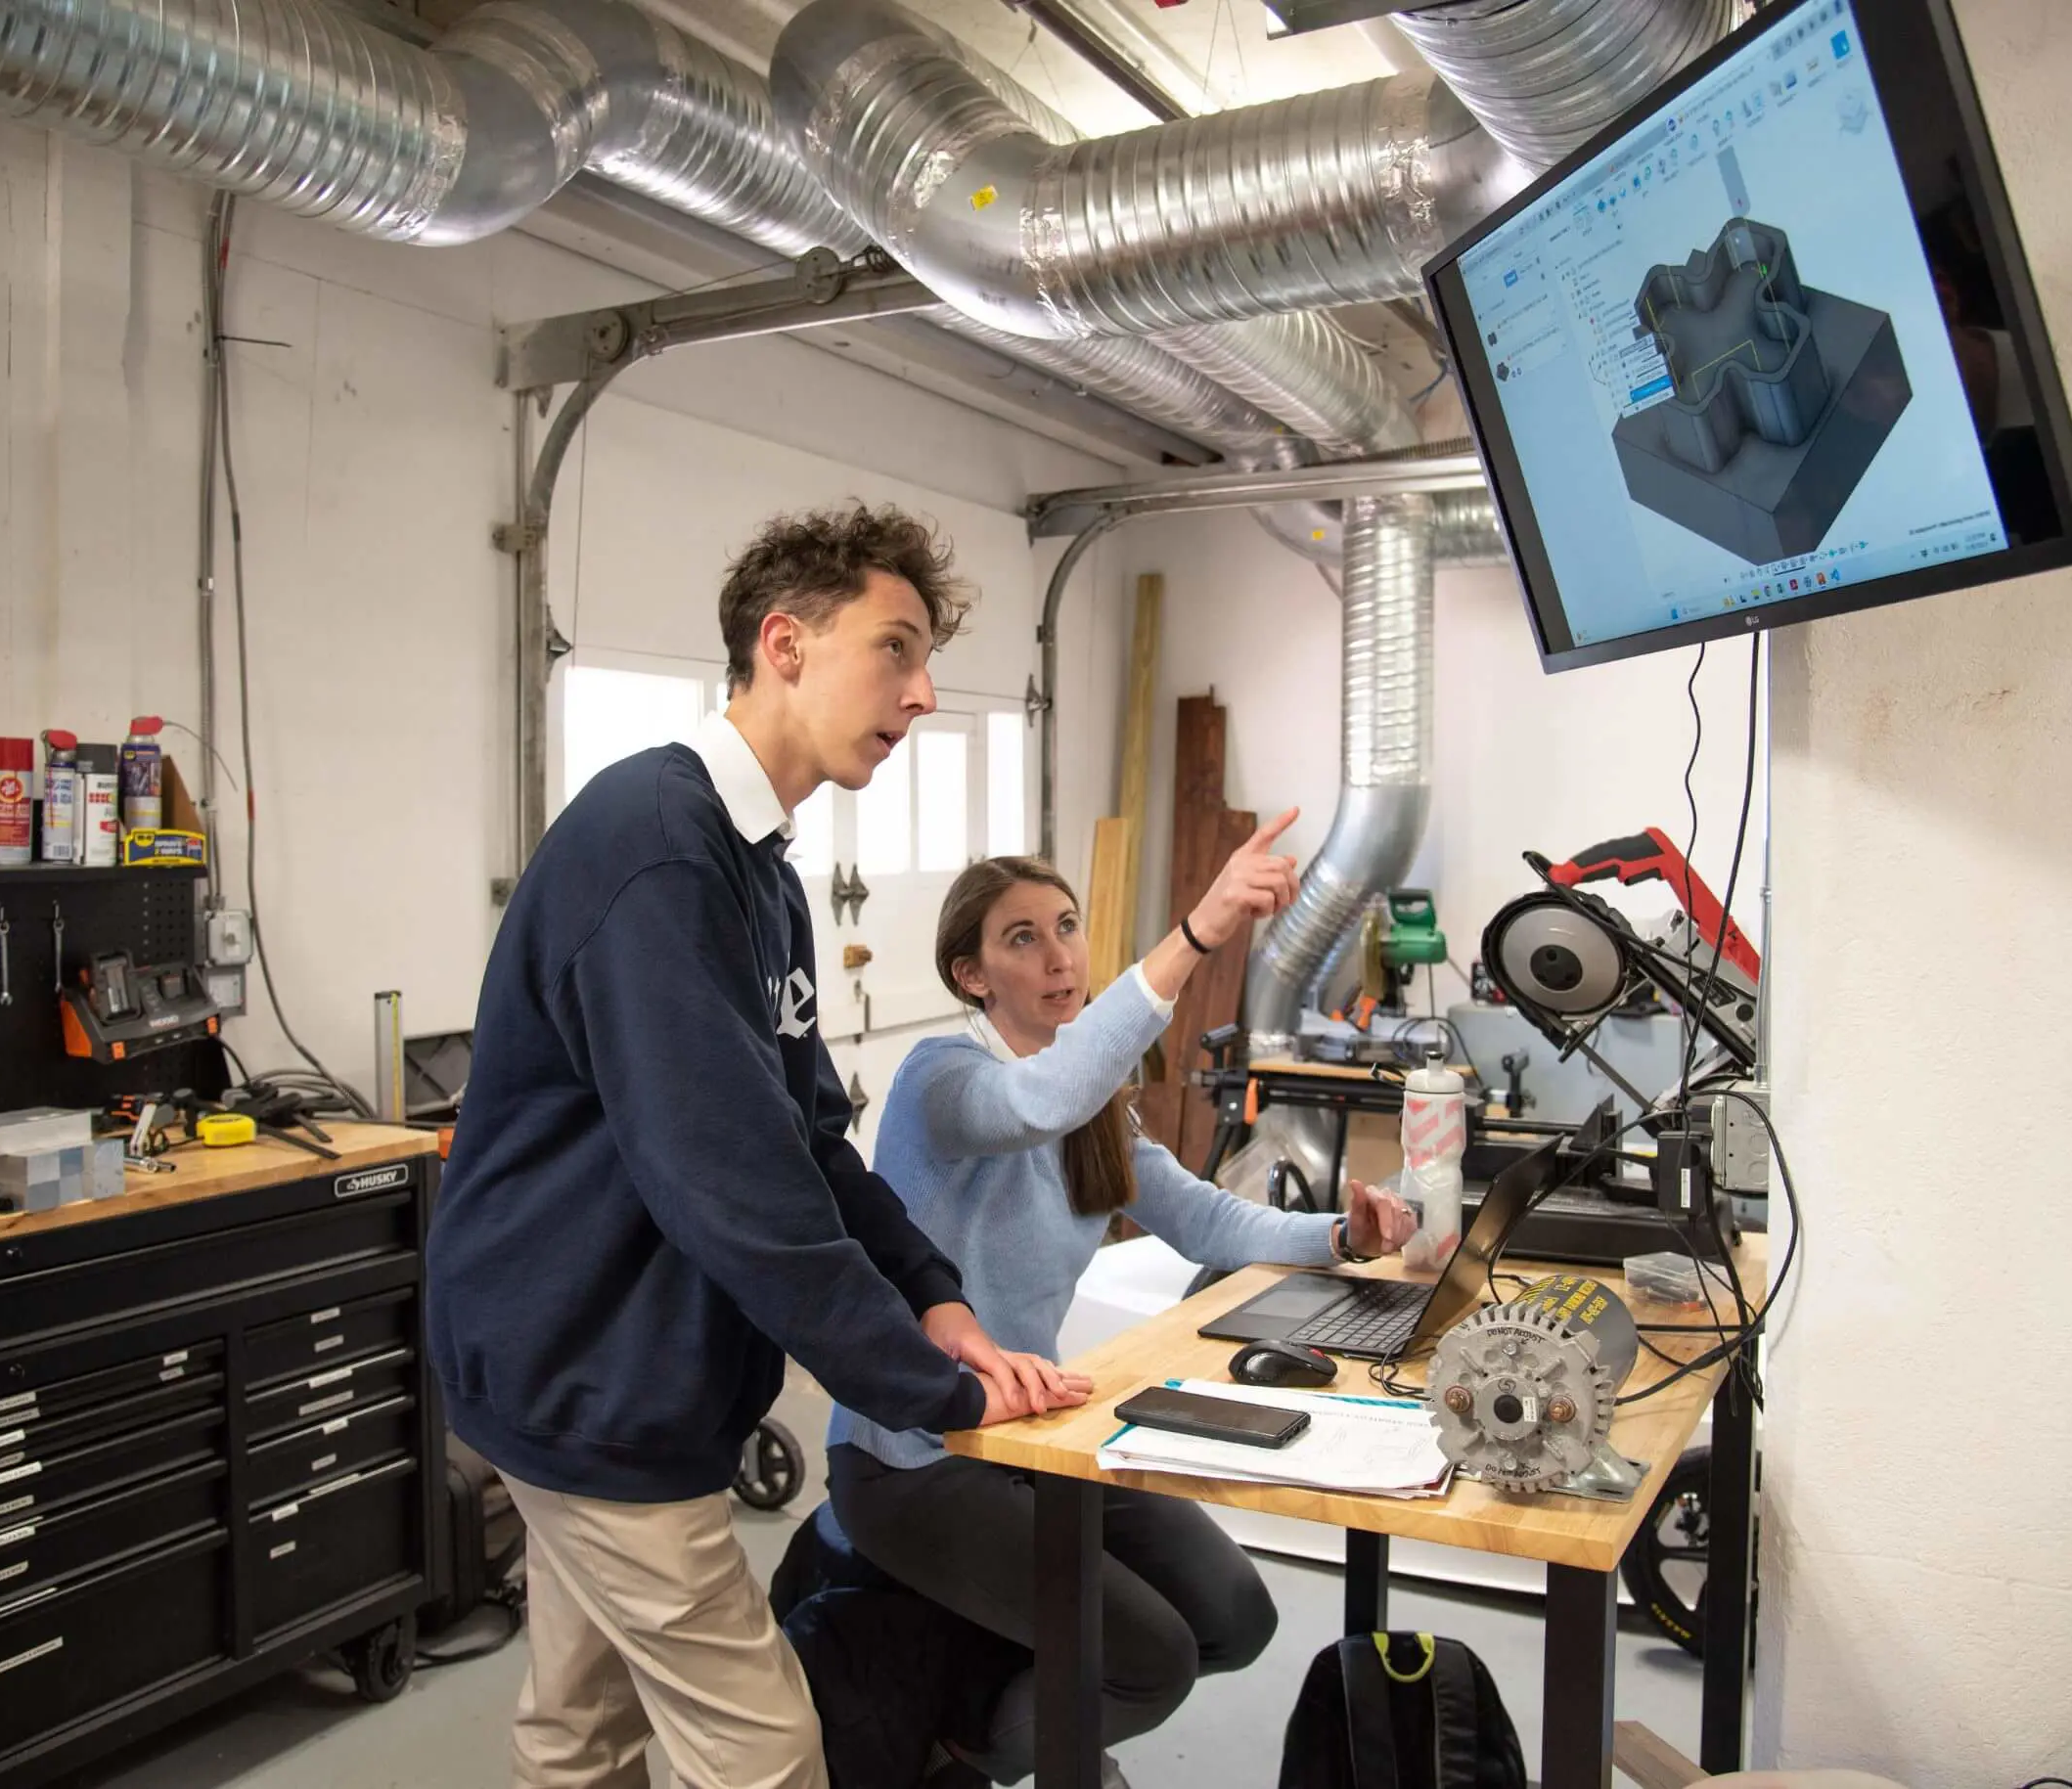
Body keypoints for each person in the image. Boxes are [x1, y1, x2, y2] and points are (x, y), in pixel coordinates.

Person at [428, 504, 1088, 1789]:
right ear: (784, 643)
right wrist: (925, 1388)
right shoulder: (658, 852)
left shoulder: (759, 876)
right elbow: (735, 1188)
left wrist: (934, 1302)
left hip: (605, 1374)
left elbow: (812, 1142)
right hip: (584, 1369)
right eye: (894, 650)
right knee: (766, 1750)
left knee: (581, 1726)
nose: (923, 691)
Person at [824, 820, 1419, 1787]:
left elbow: (1209, 1220)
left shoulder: (1095, 1107)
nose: (1059, 955)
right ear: (970, 975)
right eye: (1022, 937)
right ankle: (955, 1755)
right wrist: (1200, 929)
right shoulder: (943, 1081)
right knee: (1150, 1659)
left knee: (1236, 1616)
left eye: (1066, 925)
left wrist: (1346, 1236)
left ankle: (1016, 1698)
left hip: (1034, 1430)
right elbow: (1034, 1103)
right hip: (916, 1457)